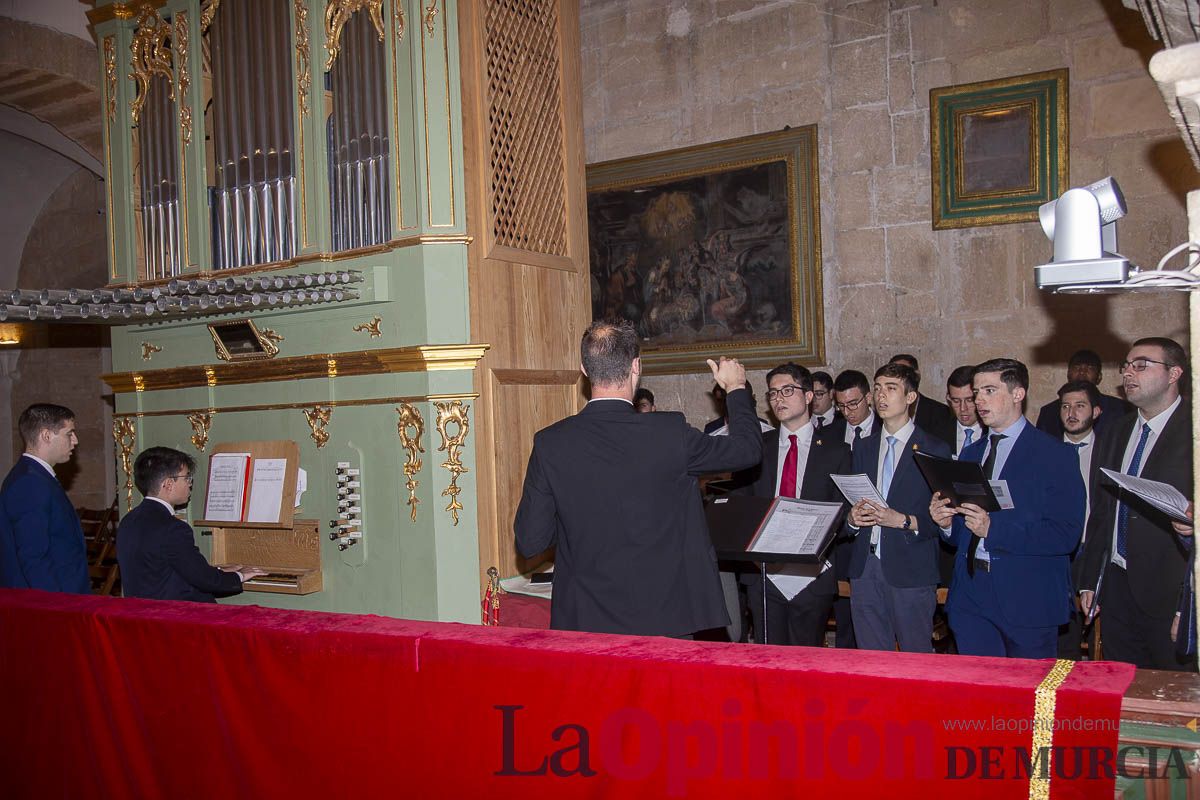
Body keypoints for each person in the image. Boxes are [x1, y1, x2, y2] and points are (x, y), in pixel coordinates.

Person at [514, 319, 762, 637]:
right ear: (636, 366)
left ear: (584, 370)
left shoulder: (551, 443)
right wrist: (737, 389)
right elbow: (747, 450)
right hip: (667, 617)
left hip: (587, 621)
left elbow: (530, 540)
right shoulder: (670, 434)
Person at [932, 359, 1085, 658]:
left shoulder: (1055, 455)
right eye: (977, 392)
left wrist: (994, 529)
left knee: (1025, 697)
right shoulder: (972, 452)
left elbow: (1065, 534)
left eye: (989, 390)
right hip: (972, 595)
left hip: (1027, 595)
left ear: (1018, 394)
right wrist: (946, 523)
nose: (979, 400)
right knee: (979, 693)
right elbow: (963, 529)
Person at [1079, 337, 1193, 669]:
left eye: (1141, 366)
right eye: (1126, 366)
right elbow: (1103, 510)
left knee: (1172, 698)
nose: (1129, 374)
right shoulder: (1116, 430)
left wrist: (1186, 608)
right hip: (1117, 586)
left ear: (1174, 373)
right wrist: (1090, 579)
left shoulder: (1194, 429)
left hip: (1170, 594)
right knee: (1123, 689)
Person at [735, 363, 851, 646]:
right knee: (768, 661)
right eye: (773, 393)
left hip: (811, 573)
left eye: (787, 390)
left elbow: (843, 515)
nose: (778, 399)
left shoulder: (836, 450)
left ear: (809, 396)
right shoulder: (756, 448)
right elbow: (740, 506)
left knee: (806, 663)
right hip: (764, 573)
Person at [846, 363, 951, 652]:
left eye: (891, 388)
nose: (881, 396)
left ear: (910, 397)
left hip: (911, 569)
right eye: (877, 388)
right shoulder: (863, 447)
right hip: (865, 567)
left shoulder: (934, 448)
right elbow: (849, 504)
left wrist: (904, 520)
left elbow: (945, 521)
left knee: (915, 659)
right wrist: (853, 519)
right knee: (871, 661)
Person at [118, 447, 265, 602]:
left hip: (141, 618)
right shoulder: (173, 528)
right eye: (186, 478)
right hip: (178, 619)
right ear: (168, 484)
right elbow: (205, 580)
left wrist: (219, 571)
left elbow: (165, 569)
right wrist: (241, 575)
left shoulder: (128, 521)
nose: (190, 484)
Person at [0, 403, 89, 593]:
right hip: (52, 604)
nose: (75, 440)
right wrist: (55, 608)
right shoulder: (30, 483)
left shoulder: (35, 476)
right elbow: (34, 558)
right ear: (46, 435)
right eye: (69, 433)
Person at [1056, 380, 1105, 659]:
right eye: (1065, 406)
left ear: (1096, 411)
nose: (1071, 412)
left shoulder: (1109, 450)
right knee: (1058, 634)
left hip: (1091, 548)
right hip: (1056, 551)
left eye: (1079, 406)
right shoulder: (1046, 451)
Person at [1035, 349, 1130, 438]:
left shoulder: (1120, 409)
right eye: (1076, 367)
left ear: (1099, 377)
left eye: (1090, 368)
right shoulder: (1048, 412)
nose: (1082, 372)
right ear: (1068, 374)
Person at [888, 354, 955, 448]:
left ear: (917, 375)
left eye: (905, 374)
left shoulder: (940, 413)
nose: (898, 380)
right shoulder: (884, 414)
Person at [831, 369, 875, 449]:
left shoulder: (884, 428)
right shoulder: (829, 433)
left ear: (868, 398)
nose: (846, 412)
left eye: (852, 404)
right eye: (841, 405)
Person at [946, 365, 982, 459]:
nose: (963, 408)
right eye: (956, 401)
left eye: (969, 400)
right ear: (948, 399)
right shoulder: (936, 434)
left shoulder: (993, 434)